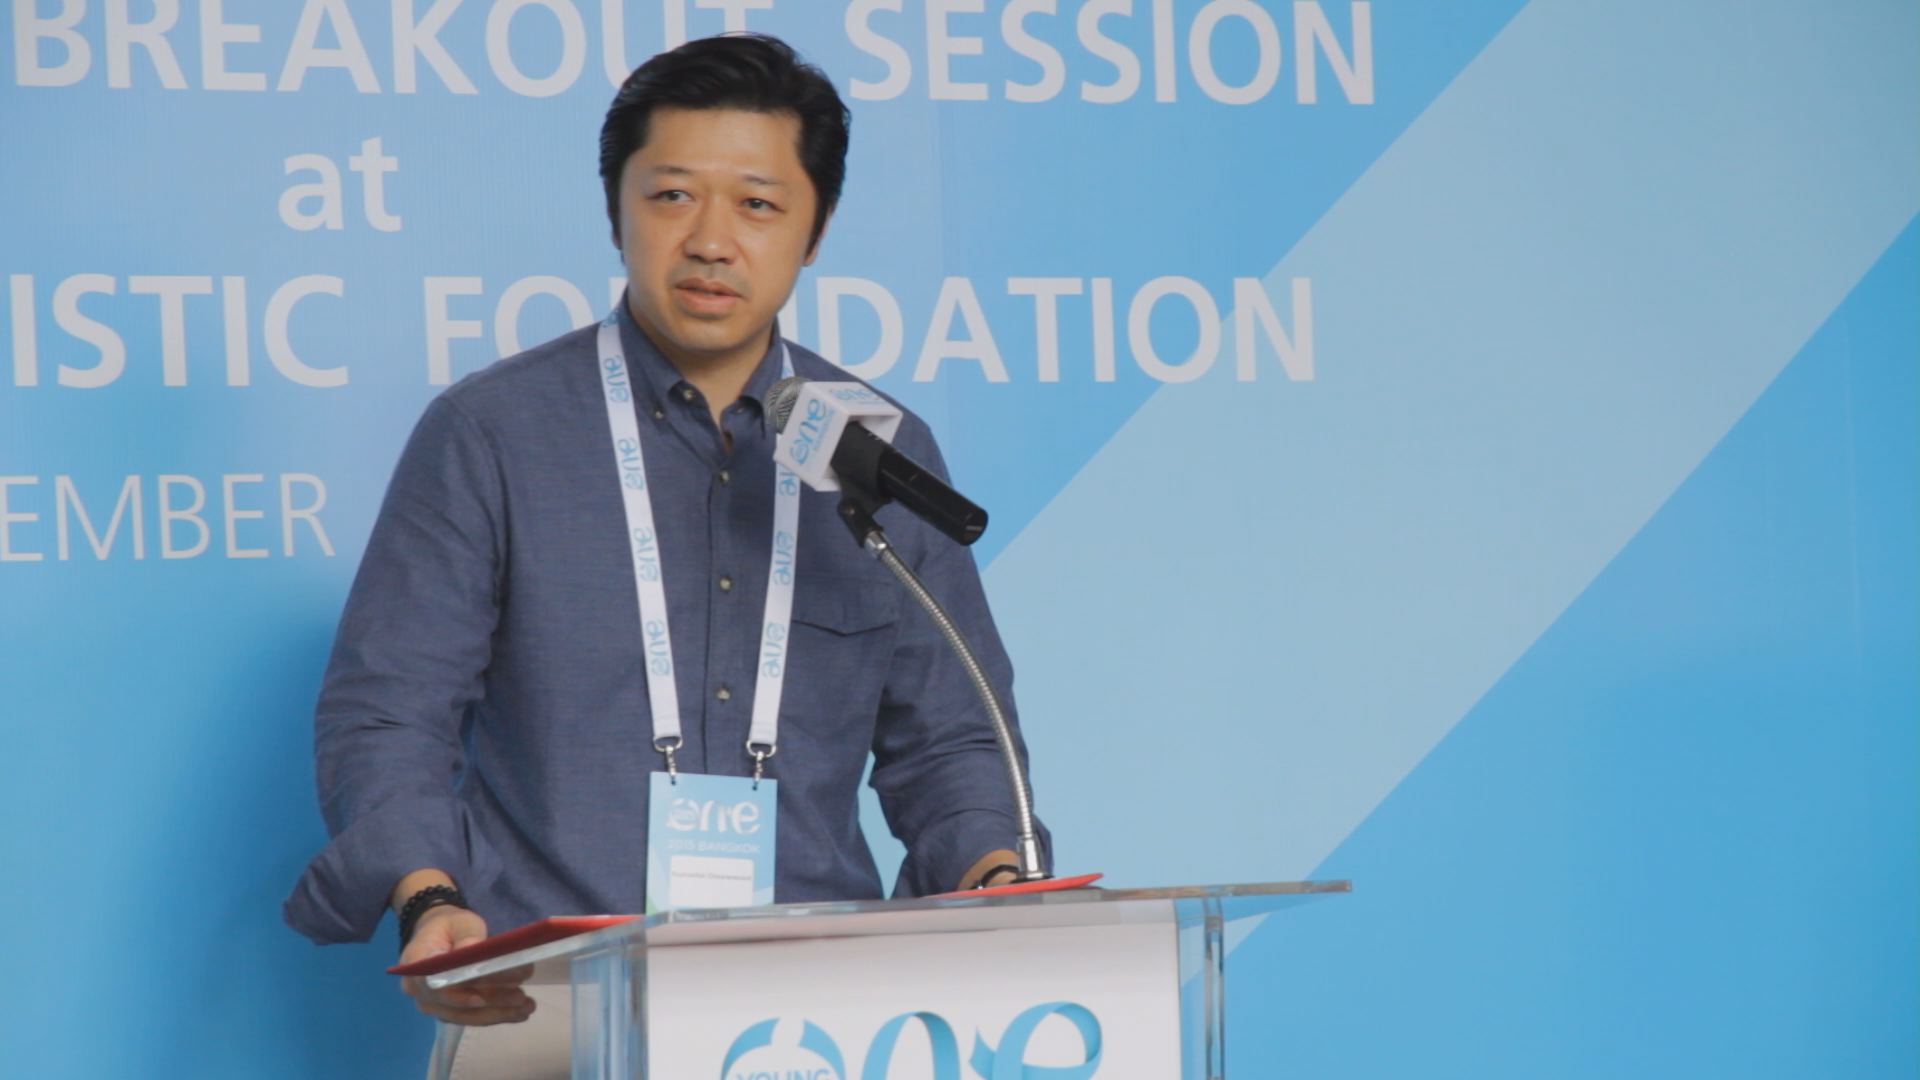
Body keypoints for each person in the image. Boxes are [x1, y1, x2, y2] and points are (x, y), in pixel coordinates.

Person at [282, 32, 1047, 1073]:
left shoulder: (878, 452)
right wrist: (429, 897)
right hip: (546, 1000)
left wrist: (995, 874)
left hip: (821, 1020)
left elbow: (952, 737)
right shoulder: (493, 434)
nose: (712, 240)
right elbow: (390, 709)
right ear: (617, 212)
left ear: (815, 231)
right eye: (674, 195)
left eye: (758, 204)